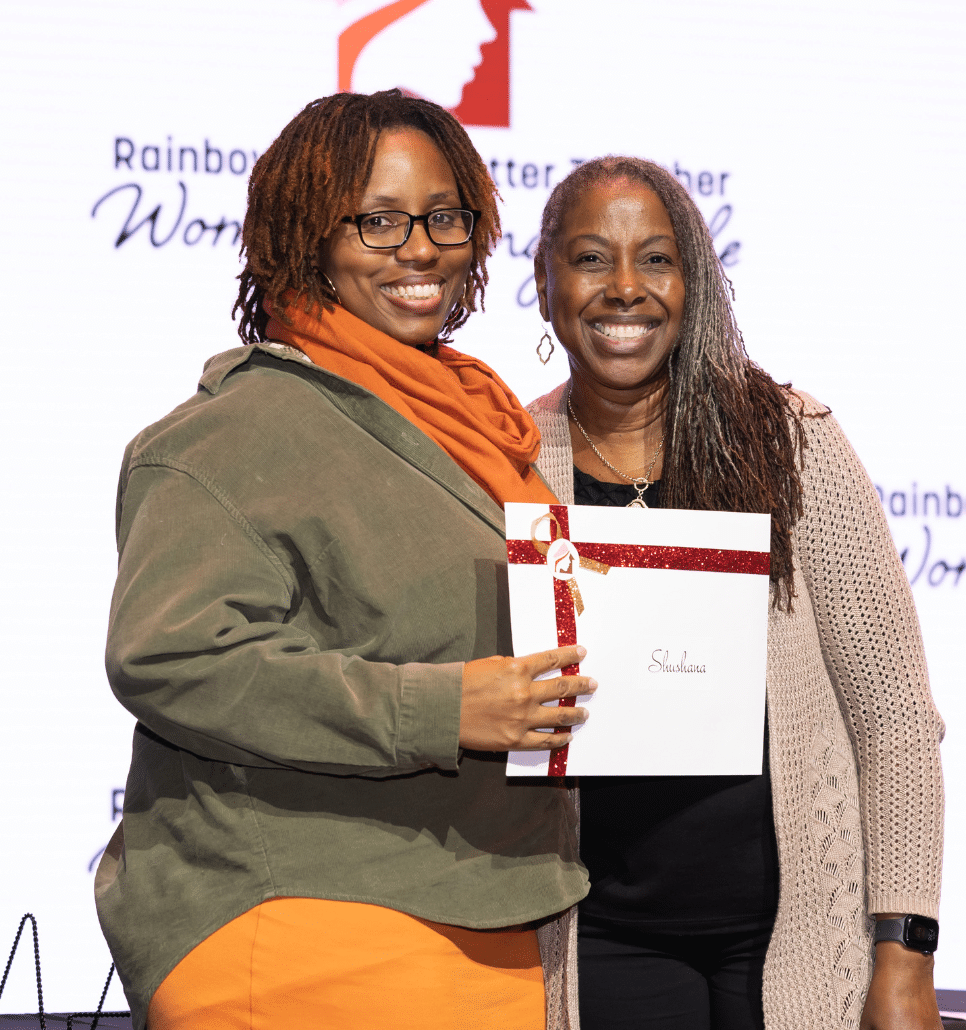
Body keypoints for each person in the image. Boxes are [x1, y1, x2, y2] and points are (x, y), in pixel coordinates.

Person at [95, 90, 596, 1030]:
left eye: (445, 217)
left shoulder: (479, 428)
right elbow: (171, 656)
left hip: (497, 911)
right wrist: (443, 709)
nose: (420, 249)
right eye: (378, 221)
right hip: (301, 919)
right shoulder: (233, 433)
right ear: (306, 237)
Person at [526, 156, 945, 1030]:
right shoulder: (512, 461)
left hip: (798, 938)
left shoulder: (792, 442)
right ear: (546, 284)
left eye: (658, 258)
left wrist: (904, 954)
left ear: (695, 283)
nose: (626, 288)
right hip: (602, 940)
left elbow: (895, 717)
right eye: (592, 258)